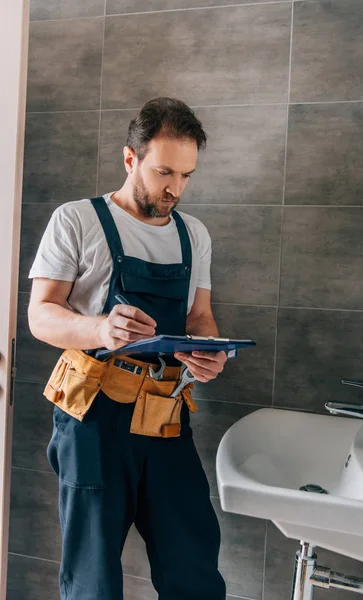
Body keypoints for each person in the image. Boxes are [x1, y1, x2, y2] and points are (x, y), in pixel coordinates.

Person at [27, 97, 227, 600]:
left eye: (186, 176)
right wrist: (100, 331)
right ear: (130, 159)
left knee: (194, 564)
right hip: (92, 416)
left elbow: (199, 318)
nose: (174, 189)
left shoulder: (193, 234)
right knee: (93, 577)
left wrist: (209, 352)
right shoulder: (76, 220)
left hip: (164, 412)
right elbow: (40, 315)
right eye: (164, 172)